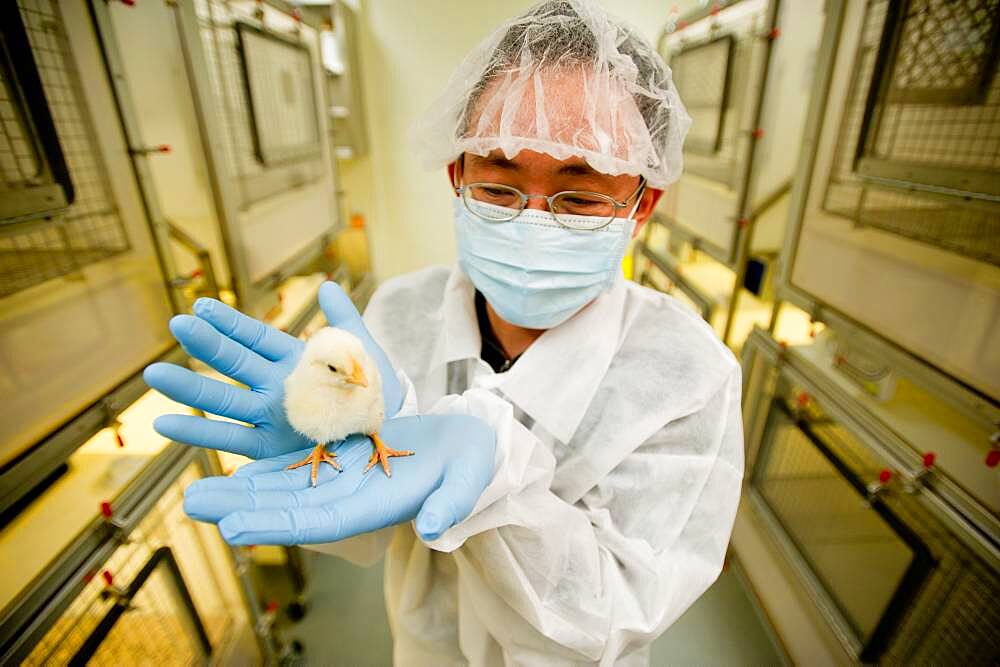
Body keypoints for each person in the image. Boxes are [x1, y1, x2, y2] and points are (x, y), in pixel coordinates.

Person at [144, 1, 743, 664]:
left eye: (579, 197)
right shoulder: (400, 316)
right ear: (457, 176)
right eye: (499, 185)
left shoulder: (685, 375)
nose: (533, 224)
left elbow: (619, 612)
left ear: (641, 206)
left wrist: (493, 472)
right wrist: (322, 451)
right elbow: (360, 532)